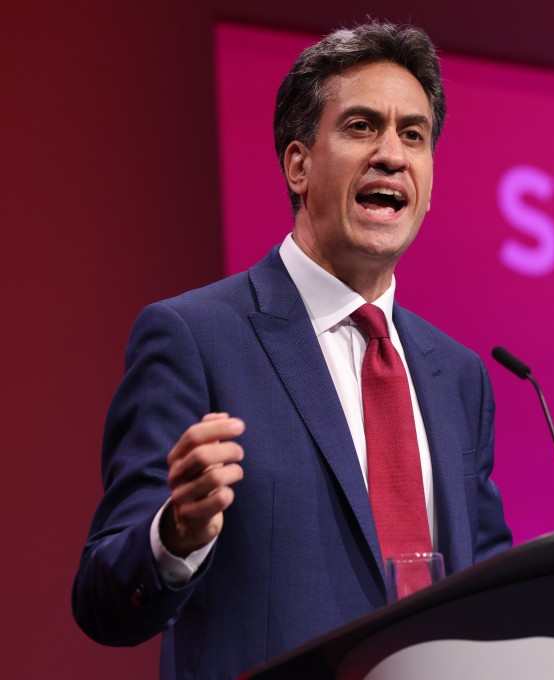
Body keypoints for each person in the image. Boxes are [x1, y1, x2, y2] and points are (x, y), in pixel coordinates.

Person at [72, 21, 512, 680]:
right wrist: (175, 535)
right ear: (298, 163)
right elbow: (104, 601)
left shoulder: (460, 376)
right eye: (363, 127)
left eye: (413, 135)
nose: (392, 154)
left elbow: (494, 593)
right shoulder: (194, 338)